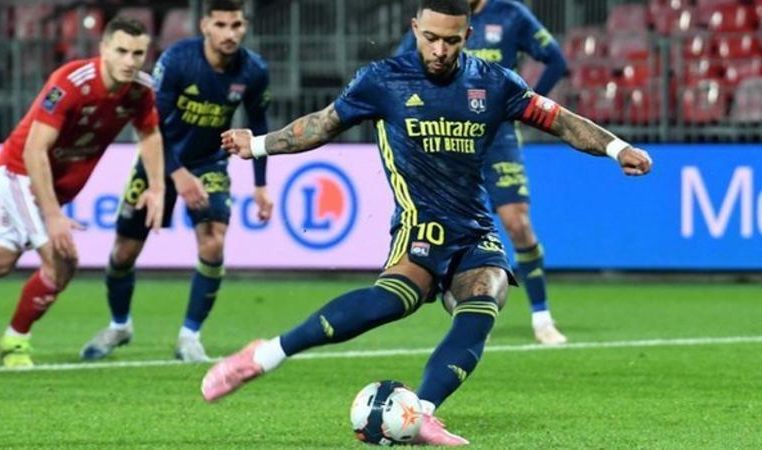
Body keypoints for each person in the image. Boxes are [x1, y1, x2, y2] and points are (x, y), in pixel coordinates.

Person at [202, 0, 651, 445]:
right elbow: (322, 125)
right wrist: (257, 145)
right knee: (391, 302)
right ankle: (264, 355)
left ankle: (421, 415)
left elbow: (561, 121)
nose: (439, 50)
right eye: (431, 38)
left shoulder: (494, 83)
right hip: (419, 226)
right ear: (415, 28)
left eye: (451, 41)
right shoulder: (383, 80)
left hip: (474, 229)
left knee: (484, 303)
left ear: (467, 36)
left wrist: (617, 149)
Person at [0, 17, 164, 367]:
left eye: (137, 53)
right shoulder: (71, 83)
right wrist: (54, 216)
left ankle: (15, 338)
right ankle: (16, 343)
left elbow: (150, 134)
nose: (130, 61)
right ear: (103, 49)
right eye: (121, 51)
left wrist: (157, 187)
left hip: (50, 188)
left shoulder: (140, 91)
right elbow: (34, 151)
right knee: (61, 262)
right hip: (19, 175)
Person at [80, 0, 273, 362]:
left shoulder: (254, 70)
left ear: (244, 26)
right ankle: (119, 326)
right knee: (123, 252)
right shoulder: (178, 61)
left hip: (209, 163)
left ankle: (189, 337)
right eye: (221, 25)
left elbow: (258, 125)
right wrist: (177, 175)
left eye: (236, 25)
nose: (229, 34)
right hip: (158, 160)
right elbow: (150, 128)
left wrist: (261, 185)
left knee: (213, 243)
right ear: (205, 26)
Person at [397, 0, 570, 344]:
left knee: (517, 223)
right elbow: (402, 63)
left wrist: (527, 104)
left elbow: (556, 60)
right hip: (449, 133)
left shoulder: (510, 14)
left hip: (498, 135)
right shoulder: (441, 17)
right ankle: (468, 311)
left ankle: (542, 317)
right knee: (454, 226)